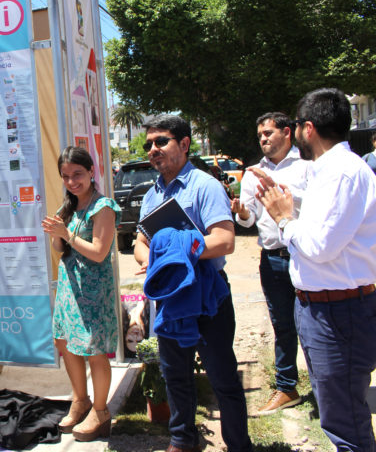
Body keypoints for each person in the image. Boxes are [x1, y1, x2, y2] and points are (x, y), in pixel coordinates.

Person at [256, 88, 376, 452]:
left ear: (308, 129)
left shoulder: (340, 173)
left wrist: (283, 219)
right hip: (325, 307)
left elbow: (320, 247)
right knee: (338, 413)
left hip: (338, 311)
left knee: (345, 421)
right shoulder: (331, 171)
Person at [133, 115, 252, 452]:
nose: (153, 150)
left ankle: (239, 445)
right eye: (149, 144)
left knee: (223, 379)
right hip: (171, 298)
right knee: (175, 376)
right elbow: (141, 243)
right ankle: (183, 440)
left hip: (208, 297)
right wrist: (152, 260)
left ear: (184, 144)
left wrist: (176, 252)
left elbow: (224, 240)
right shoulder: (152, 194)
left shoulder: (205, 186)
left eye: (161, 142)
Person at [231, 113, 310, 415]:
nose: (263, 138)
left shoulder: (306, 167)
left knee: (314, 323)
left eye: (268, 133)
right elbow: (250, 220)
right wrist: (240, 212)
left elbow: (313, 204)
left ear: (287, 132)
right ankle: (287, 387)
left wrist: (274, 185)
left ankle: (325, 383)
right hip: (273, 258)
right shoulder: (252, 173)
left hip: (305, 255)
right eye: (260, 134)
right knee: (283, 326)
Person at [41, 146, 121, 442]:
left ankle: (100, 411)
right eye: (66, 176)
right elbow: (61, 250)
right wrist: (57, 236)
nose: (72, 181)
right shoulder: (69, 207)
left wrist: (66, 234)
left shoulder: (104, 207)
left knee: (94, 350)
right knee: (65, 342)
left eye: (77, 174)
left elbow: (100, 253)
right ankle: (80, 400)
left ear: (91, 172)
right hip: (69, 287)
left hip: (93, 291)